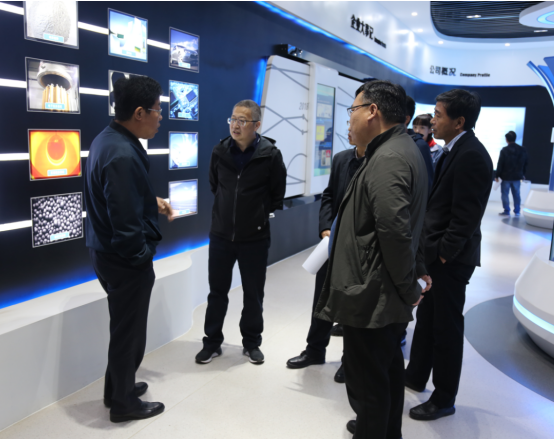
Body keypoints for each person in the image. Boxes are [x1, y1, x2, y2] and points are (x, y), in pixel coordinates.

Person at [314, 80, 430, 439]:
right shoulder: (397, 149)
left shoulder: (388, 158)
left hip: (372, 296)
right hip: (378, 293)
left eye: (353, 110)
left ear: (372, 111)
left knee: (368, 388)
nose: (349, 118)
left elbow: (395, 232)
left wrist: (409, 287)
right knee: (386, 374)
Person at [84, 76, 174, 423]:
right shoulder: (121, 152)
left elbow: (119, 198)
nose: (160, 117)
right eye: (157, 110)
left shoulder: (107, 140)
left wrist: (152, 202)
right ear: (139, 113)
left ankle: (117, 389)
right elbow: (123, 220)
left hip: (105, 252)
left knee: (123, 328)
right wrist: (141, 257)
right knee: (129, 333)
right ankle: (123, 404)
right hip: (124, 259)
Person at [405, 89, 493, 421]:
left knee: (446, 329)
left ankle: (443, 399)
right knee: (428, 320)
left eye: (439, 115)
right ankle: (416, 375)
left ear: (459, 121)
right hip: (435, 256)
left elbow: (466, 218)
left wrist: (442, 256)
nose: (432, 120)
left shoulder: (472, 155)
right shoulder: (453, 150)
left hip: (450, 261)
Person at [196, 100, 287, 365]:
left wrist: (257, 214)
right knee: (217, 292)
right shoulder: (220, 151)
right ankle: (212, 342)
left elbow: (277, 193)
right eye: (233, 119)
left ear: (256, 125)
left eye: (242, 121)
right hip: (221, 235)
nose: (235, 125)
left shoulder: (270, 155)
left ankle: (252, 342)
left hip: (255, 238)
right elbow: (215, 185)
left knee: (253, 294)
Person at [286, 119, 366, 384]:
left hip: (357, 248)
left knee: (351, 305)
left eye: (352, 124)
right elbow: (329, 196)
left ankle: (349, 361)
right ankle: (314, 350)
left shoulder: (376, 163)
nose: (348, 129)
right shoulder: (342, 159)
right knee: (321, 298)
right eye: (348, 124)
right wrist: (325, 229)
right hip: (331, 244)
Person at [495, 130, 528, 216]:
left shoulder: (504, 150)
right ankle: (517, 210)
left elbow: (500, 164)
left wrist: (497, 175)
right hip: (517, 176)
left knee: (505, 194)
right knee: (516, 194)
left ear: (506, 139)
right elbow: (525, 163)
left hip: (506, 176)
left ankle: (506, 210)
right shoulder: (522, 150)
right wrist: (523, 173)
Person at [406, 96, 435, 190]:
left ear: (430, 130)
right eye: (415, 127)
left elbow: (428, 180)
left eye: (422, 128)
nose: (417, 131)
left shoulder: (422, 146)